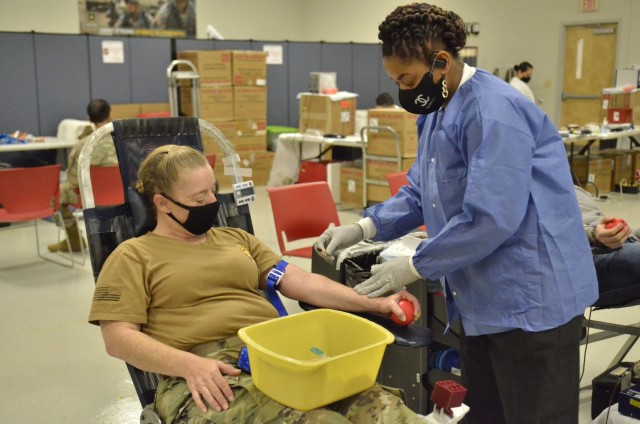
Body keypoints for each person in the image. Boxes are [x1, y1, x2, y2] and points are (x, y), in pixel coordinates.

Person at [314, 4, 598, 423]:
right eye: (395, 82)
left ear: (441, 62)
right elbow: (420, 191)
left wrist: (415, 265)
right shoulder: (438, 111)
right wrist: (365, 226)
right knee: (487, 412)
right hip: (483, 301)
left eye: (407, 80)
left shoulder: (493, 112)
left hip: (532, 300)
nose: (403, 91)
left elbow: (491, 217)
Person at [88, 144, 424, 423]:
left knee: (390, 412)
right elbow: (118, 338)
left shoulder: (236, 239)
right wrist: (190, 365)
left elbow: (302, 282)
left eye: (211, 191)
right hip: (207, 375)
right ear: (162, 203)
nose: (210, 203)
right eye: (197, 197)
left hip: (280, 357)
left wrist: (375, 303)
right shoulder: (133, 255)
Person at [48, 99, 116, 253]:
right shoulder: (122, 140)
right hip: (123, 194)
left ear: (89, 119)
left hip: (92, 196)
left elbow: (73, 179)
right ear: (111, 115)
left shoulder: (83, 145)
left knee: (58, 194)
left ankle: (74, 240)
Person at [575, 185, 640, 308]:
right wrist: (593, 234)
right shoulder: (535, 190)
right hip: (589, 252)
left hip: (621, 241)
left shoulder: (574, 189)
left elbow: (598, 220)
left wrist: (629, 232)